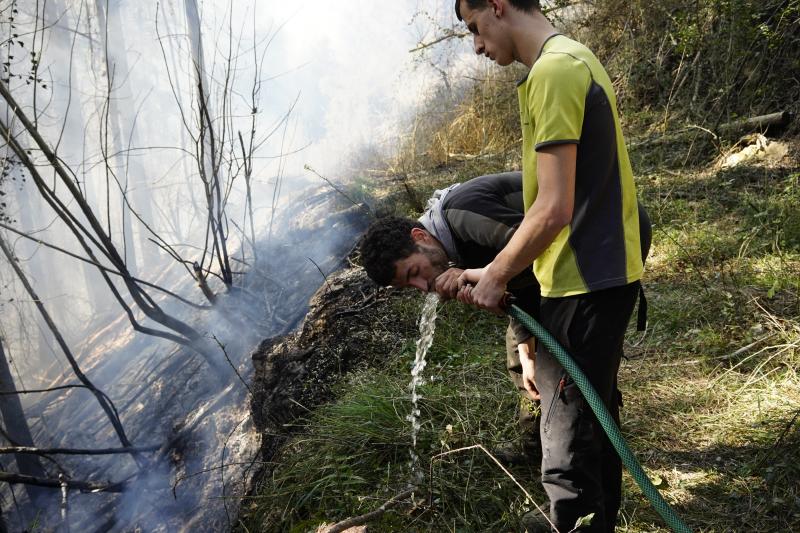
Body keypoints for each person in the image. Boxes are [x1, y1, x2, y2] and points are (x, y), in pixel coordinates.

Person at [453, 1, 648, 531]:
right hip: (591, 276)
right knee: (594, 423)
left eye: (474, 28)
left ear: (496, 5)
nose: (476, 45)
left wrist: (494, 274)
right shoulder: (570, 60)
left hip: (584, 281)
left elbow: (553, 207)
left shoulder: (555, 70)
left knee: (565, 453)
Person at [361, 172, 545, 462]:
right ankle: (537, 450)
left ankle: (574, 459)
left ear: (419, 237)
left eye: (413, 273)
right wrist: (527, 350)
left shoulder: (463, 214)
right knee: (521, 358)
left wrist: (486, 276)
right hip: (551, 277)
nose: (423, 287)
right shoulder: (445, 249)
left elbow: (545, 245)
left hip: (600, 244)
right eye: (408, 286)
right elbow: (522, 286)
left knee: (560, 372)